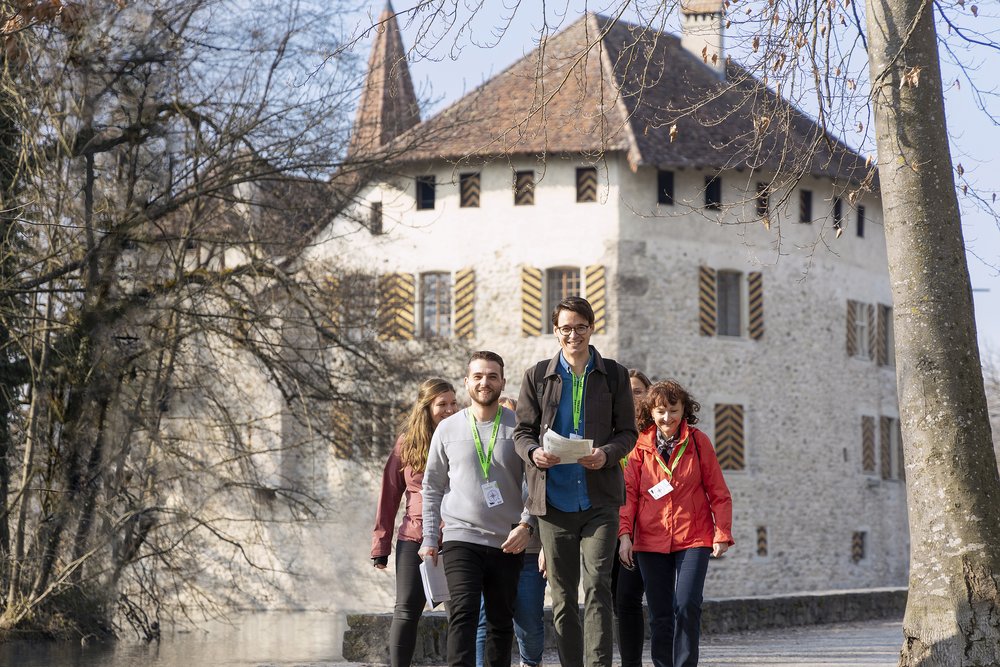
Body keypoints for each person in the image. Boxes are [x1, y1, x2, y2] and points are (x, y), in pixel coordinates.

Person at [514, 296, 638, 667]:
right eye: (565, 328)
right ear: (556, 332)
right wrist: (534, 452)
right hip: (553, 503)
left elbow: (628, 433)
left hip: (600, 500)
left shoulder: (614, 374)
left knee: (598, 586)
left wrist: (607, 454)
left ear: (591, 328)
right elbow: (521, 432)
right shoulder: (537, 376)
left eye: (580, 327)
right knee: (564, 596)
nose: (573, 335)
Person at [420, 352, 534, 667]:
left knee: (500, 623)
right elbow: (431, 487)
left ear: (503, 382)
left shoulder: (521, 428)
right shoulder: (448, 429)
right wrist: (430, 538)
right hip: (460, 537)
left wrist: (527, 525)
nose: (485, 382)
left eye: (492, 376)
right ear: (468, 381)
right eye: (479, 376)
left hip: (507, 540)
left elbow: (538, 483)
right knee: (463, 615)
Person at [618, 380, 734, 667]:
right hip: (650, 538)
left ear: (684, 411)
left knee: (686, 605)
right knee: (659, 613)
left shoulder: (698, 441)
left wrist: (722, 532)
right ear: (651, 412)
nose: (667, 418)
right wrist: (624, 536)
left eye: (673, 410)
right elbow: (629, 495)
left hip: (694, 536)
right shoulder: (640, 446)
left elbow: (718, 492)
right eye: (660, 411)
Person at [371, 378, 459, 667]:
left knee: (461, 611)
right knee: (407, 609)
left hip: (458, 536)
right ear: (426, 407)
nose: (449, 409)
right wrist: (380, 545)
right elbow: (389, 494)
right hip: (415, 536)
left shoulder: (463, 435)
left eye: (453, 403)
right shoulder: (408, 442)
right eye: (441, 404)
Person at [475, 396, 548, 667]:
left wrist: (547, 549)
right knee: (485, 619)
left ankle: (530, 662)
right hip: (491, 548)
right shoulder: (483, 457)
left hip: (529, 552)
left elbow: (545, 503)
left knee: (528, 620)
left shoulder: (535, 456)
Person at [615, 369, 652, 667]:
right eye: (627, 391)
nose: (632, 397)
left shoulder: (656, 436)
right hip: (608, 525)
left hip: (644, 529)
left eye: (638, 391)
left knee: (628, 598)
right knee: (614, 599)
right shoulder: (610, 430)